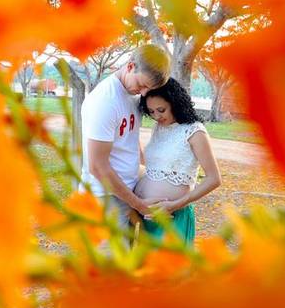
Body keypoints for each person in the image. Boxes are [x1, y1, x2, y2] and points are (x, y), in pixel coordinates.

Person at [81, 45, 171, 232]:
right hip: (104, 199)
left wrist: (148, 173)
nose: (144, 93)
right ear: (130, 66)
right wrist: (139, 204)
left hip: (126, 194)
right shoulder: (105, 101)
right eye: (142, 84)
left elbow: (131, 138)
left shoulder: (132, 94)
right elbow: (97, 167)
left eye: (149, 88)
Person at [135, 78, 221, 245]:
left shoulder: (195, 132)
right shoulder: (159, 128)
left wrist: (174, 205)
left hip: (174, 216)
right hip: (149, 217)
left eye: (161, 110)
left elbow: (214, 179)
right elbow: (154, 166)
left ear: (175, 103)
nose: (157, 116)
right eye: (151, 112)